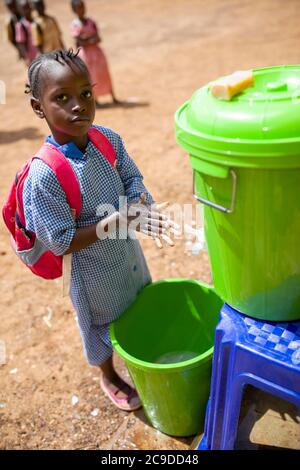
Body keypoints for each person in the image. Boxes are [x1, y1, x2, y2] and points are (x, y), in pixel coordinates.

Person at [23, 49, 177, 410]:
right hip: (92, 277)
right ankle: (108, 374)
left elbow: (131, 177)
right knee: (101, 327)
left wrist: (140, 203)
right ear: (38, 107)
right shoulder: (44, 175)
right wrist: (115, 222)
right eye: (61, 98)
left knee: (137, 301)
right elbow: (60, 241)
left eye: (86, 93)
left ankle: (141, 351)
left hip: (127, 255)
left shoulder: (108, 139)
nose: (78, 105)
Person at [70, 0, 120, 106]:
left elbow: (97, 38)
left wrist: (86, 40)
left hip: (96, 53)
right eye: (79, 8)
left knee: (104, 74)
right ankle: (95, 100)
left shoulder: (91, 21)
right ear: (74, 10)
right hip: (85, 55)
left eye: (82, 7)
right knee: (91, 77)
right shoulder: (75, 24)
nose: (81, 10)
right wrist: (91, 40)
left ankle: (113, 96)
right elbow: (79, 42)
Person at [15, 0, 38, 65]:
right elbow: (21, 43)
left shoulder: (36, 20)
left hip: (42, 52)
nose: (27, 10)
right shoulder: (20, 26)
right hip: (32, 57)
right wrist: (26, 58)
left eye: (28, 7)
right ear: (20, 11)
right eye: (24, 9)